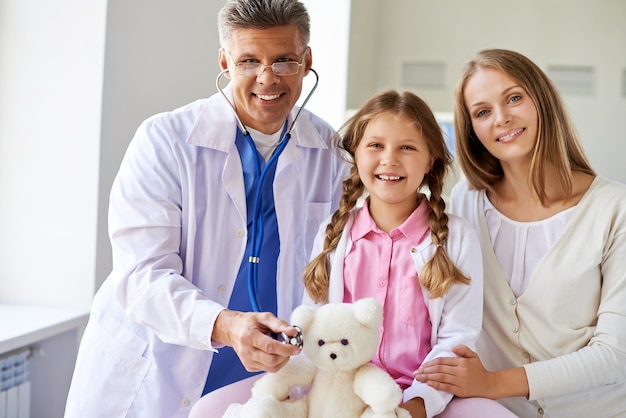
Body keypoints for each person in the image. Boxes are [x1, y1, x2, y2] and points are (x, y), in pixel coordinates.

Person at [64, 1, 348, 417]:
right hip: (158, 368)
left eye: (284, 60)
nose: (267, 78)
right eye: (249, 60)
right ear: (225, 61)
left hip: (265, 378)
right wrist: (227, 325)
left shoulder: (330, 155)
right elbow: (143, 274)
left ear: (307, 62)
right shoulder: (165, 141)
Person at [415, 48, 626, 418]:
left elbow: (616, 354)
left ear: (541, 100)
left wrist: (493, 383)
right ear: (472, 130)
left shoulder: (614, 208)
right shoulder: (465, 201)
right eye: (482, 112)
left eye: (514, 98)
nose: (502, 118)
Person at [301, 90, 516, 418]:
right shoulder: (335, 233)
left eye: (407, 147)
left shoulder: (456, 238)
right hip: (343, 393)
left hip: (423, 397)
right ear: (356, 153)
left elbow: (456, 340)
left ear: (430, 160)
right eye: (375, 145)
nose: (389, 159)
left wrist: (414, 407)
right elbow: (316, 323)